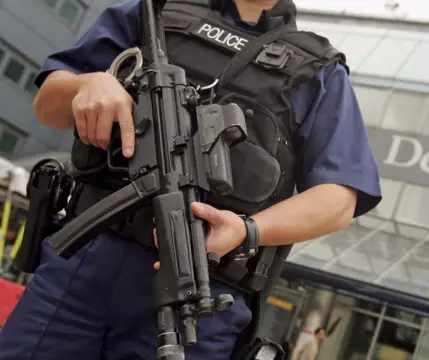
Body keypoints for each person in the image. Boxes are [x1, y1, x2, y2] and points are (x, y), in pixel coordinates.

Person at [0, 0, 381, 359]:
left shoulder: (319, 70)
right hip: (84, 259)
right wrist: (87, 85)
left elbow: (339, 199)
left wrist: (248, 229)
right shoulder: (157, 9)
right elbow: (48, 105)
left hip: (200, 294)